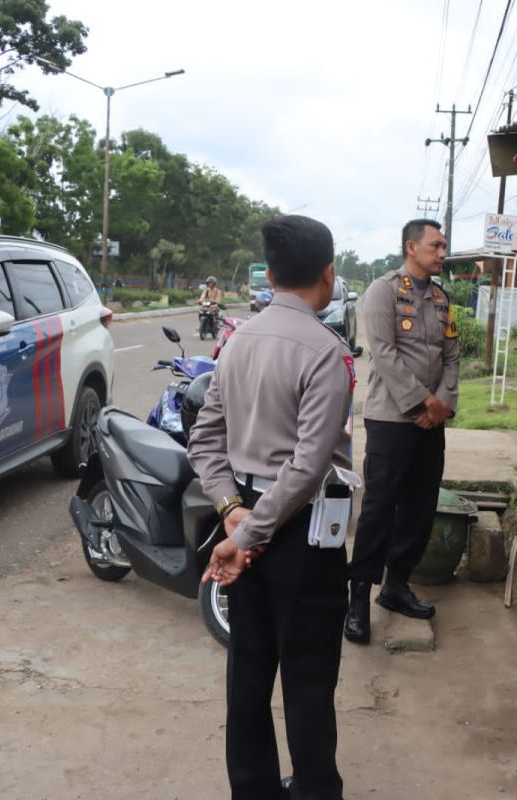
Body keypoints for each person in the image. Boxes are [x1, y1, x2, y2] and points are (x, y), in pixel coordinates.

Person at [188, 214, 353, 800]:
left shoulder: (237, 341)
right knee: (308, 678)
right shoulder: (326, 352)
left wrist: (234, 512)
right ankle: (313, 790)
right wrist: (248, 532)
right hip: (301, 529)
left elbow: (204, 439)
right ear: (327, 274)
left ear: (273, 273)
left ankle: (254, 789)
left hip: (247, 518)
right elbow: (308, 467)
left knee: (248, 670)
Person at [344, 219, 459, 645]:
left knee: (420, 507)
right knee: (378, 510)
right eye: (437, 245)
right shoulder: (383, 291)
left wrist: (442, 405)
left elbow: (451, 356)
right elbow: (385, 354)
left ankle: (396, 585)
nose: (443, 252)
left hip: (432, 421)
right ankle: (358, 596)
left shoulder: (441, 298)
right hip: (392, 420)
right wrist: (422, 402)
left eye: (444, 245)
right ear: (412, 247)